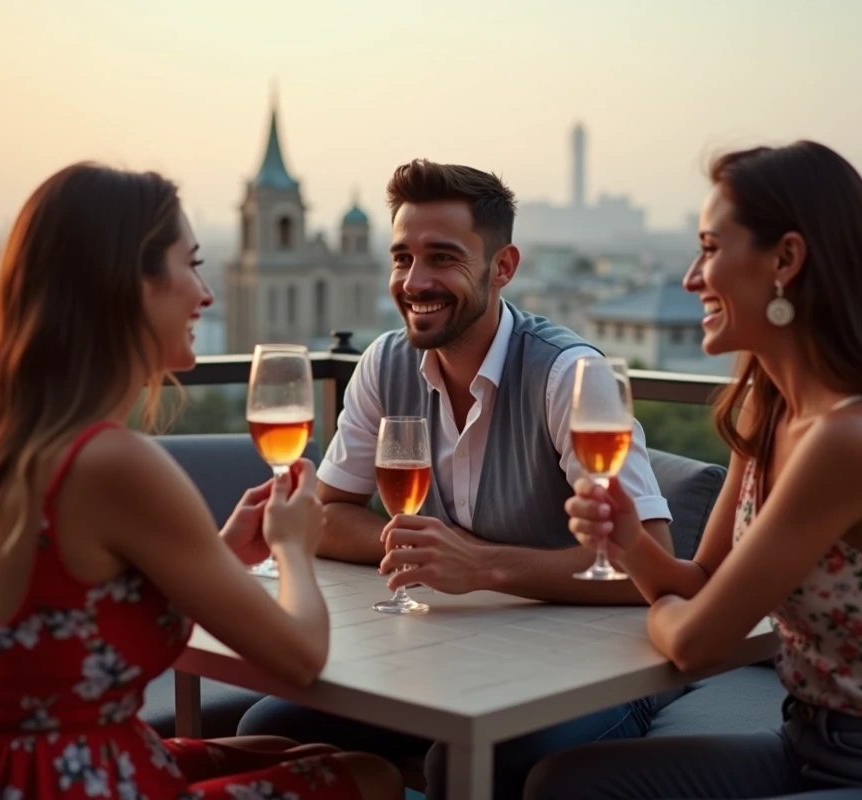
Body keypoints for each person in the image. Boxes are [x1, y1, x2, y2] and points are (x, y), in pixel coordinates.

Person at [0, 163, 402, 800]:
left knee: (290, 750)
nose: (205, 295)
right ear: (129, 285)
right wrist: (294, 545)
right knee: (372, 775)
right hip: (72, 780)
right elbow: (301, 656)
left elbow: (82, 602)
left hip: (15, 765)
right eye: (192, 265)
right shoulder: (114, 461)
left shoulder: (8, 443)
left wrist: (222, 551)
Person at [524, 141, 862, 800]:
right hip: (808, 745)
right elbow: (701, 581)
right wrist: (628, 541)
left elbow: (696, 643)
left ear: (785, 259)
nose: (691, 278)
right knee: (563, 783)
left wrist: (664, 615)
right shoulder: (769, 407)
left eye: (709, 248)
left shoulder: (849, 439)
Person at [237, 159, 679, 798]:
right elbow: (325, 516)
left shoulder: (567, 376)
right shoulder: (385, 363)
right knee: (271, 728)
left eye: (442, 258)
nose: (414, 281)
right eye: (402, 258)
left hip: (595, 669)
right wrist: (431, 550)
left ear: (503, 268)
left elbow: (652, 565)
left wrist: (482, 565)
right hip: (455, 654)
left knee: (472, 763)